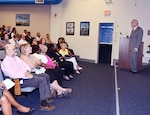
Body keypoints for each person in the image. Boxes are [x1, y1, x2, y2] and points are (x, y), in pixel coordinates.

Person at [1, 44, 55, 111]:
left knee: (46, 76)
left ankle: (46, 97)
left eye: (15, 48)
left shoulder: (16, 58)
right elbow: (12, 75)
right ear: (7, 51)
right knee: (41, 80)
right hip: (19, 81)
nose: (15, 50)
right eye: (13, 49)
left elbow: (26, 65)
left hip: (27, 75)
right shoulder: (5, 62)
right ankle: (43, 105)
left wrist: (27, 71)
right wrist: (25, 74)